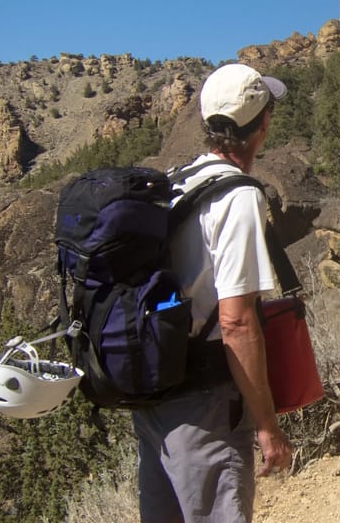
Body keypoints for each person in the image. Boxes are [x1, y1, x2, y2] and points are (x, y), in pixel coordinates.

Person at [132, 63, 293, 523]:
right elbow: (237, 321)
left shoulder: (179, 180)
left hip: (156, 398)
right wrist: (266, 425)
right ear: (262, 125)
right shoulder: (240, 197)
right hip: (205, 405)